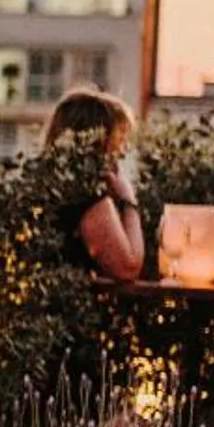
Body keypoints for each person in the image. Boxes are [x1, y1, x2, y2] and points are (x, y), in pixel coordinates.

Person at [45, 88, 146, 283]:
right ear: (99, 141)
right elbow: (128, 267)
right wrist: (128, 201)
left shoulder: (53, 183)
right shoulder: (85, 195)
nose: (123, 153)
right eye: (120, 140)